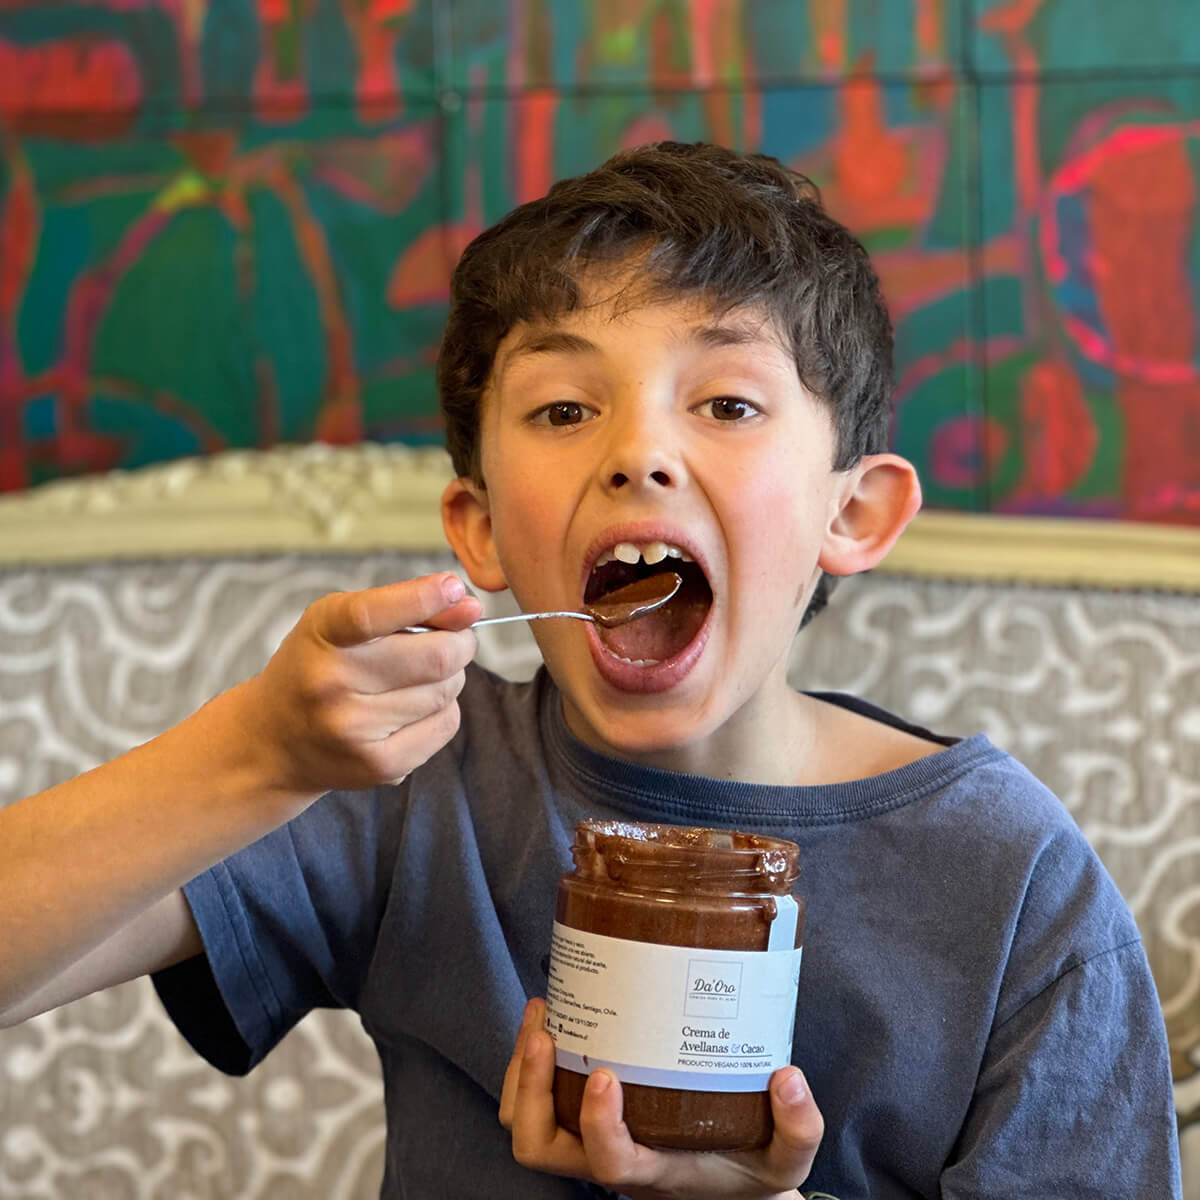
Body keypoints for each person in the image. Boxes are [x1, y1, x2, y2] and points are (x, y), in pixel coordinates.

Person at [0, 142, 1181, 1199]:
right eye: (565, 409)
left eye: (726, 401)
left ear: (854, 512)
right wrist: (258, 751)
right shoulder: (411, 789)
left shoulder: (1016, 885)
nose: (639, 453)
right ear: (479, 529)